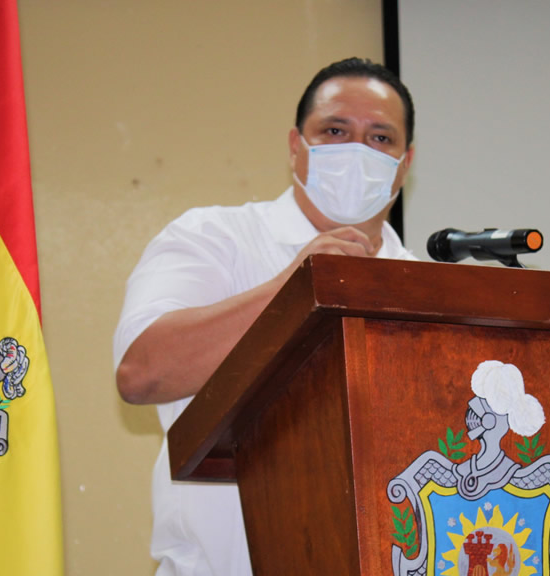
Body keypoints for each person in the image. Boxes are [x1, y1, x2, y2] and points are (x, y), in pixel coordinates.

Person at [113, 57, 417, 575]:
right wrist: (295, 286)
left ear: (405, 164)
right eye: (336, 130)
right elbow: (142, 373)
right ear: (297, 147)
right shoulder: (214, 238)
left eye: (380, 138)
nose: (356, 151)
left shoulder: (425, 288)